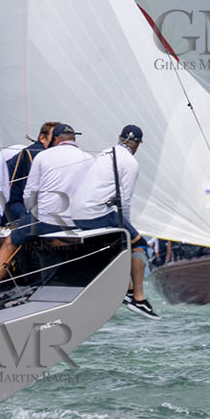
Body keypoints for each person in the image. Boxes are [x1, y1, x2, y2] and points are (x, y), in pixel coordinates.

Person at [71, 124, 156, 318]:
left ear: (120, 137)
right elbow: (124, 203)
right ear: (139, 144)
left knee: (122, 242)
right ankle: (139, 298)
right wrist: (128, 230)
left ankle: (126, 290)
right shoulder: (131, 163)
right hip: (96, 213)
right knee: (139, 245)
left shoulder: (105, 153)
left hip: (77, 214)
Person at [0, 123, 55, 285]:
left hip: (16, 205)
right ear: (42, 138)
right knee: (34, 228)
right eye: (54, 139)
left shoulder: (43, 155)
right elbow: (29, 195)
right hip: (13, 205)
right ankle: (33, 276)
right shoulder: (34, 154)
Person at [22, 122, 93, 234]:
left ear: (55, 139)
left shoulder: (42, 156)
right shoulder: (90, 158)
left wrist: (29, 212)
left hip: (46, 221)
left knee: (10, 242)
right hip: (78, 222)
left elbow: (30, 194)